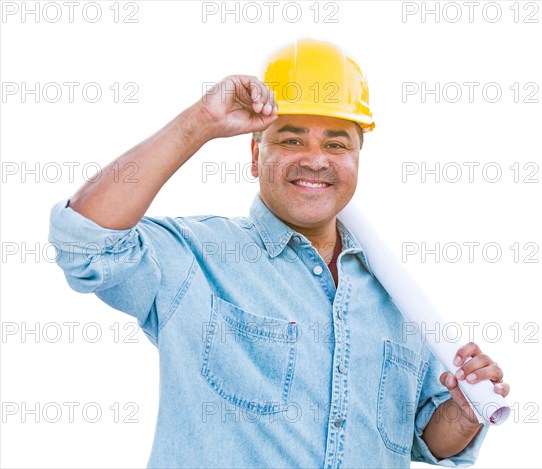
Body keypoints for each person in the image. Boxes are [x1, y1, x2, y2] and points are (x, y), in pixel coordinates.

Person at [48, 39, 509, 468]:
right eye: (291, 140)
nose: (315, 159)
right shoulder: (195, 258)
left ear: (357, 159)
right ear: (255, 154)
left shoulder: (396, 295)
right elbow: (86, 241)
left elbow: (423, 437)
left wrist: (464, 412)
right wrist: (200, 123)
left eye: (336, 143)